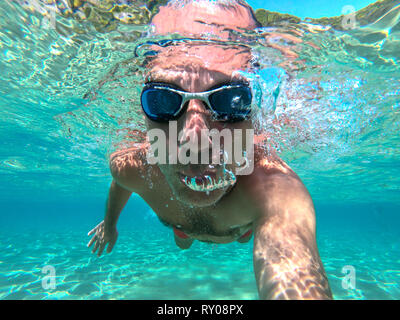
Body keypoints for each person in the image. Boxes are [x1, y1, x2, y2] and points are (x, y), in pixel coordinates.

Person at [87, 0, 332, 300]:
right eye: (163, 101)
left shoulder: (274, 190)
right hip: (182, 226)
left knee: (240, 237)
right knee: (183, 239)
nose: (196, 139)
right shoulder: (132, 166)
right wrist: (109, 225)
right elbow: (120, 183)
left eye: (231, 101)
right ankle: (185, 233)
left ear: (254, 115)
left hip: (237, 229)